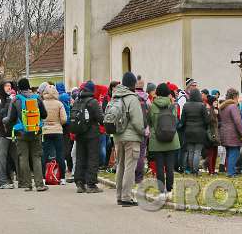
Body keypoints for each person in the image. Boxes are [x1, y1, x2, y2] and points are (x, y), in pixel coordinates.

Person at [5, 78, 48, 192]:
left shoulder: (15, 100)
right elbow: (44, 115)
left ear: (18, 87)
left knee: (23, 158)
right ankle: (39, 184)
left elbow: (10, 119)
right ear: (29, 86)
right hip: (36, 131)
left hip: (21, 133)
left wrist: (4, 120)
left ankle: (27, 184)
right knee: (36, 157)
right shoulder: (37, 98)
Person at [111, 72, 145, 207]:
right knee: (130, 167)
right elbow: (137, 121)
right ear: (132, 84)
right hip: (131, 138)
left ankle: (119, 196)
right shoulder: (132, 98)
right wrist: (142, 132)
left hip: (118, 136)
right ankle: (127, 197)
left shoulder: (115, 96)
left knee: (120, 165)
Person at [149, 83, 181, 199]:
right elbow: (176, 121)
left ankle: (162, 192)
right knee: (169, 166)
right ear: (168, 93)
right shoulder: (172, 105)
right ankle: (170, 190)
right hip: (171, 139)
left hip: (157, 140)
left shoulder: (152, 106)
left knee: (159, 167)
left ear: (157, 93)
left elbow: (150, 121)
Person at [72, 81, 104, 193]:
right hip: (92, 134)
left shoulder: (77, 100)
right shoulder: (93, 102)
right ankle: (91, 184)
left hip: (79, 133)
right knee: (92, 158)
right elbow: (101, 118)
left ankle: (80, 184)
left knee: (80, 157)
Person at [41, 84, 68, 185]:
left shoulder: (42, 103)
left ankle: (43, 178)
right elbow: (64, 119)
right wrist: (58, 123)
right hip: (57, 131)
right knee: (60, 154)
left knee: (44, 154)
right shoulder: (59, 104)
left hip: (45, 130)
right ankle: (62, 178)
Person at [180, 88, 209, 176]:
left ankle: (191, 168)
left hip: (188, 131)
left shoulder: (186, 105)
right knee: (197, 151)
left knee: (191, 151)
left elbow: (182, 120)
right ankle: (195, 170)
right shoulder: (202, 105)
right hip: (200, 131)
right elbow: (206, 120)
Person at [0, 81, 15, 189]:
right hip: (0, 133)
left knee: (10, 157)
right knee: (2, 157)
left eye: (10, 86)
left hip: (10, 132)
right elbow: (0, 113)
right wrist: (8, 105)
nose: (9, 88)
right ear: (2, 87)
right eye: (6, 86)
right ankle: (1, 181)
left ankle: (9, 179)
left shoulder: (10, 99)